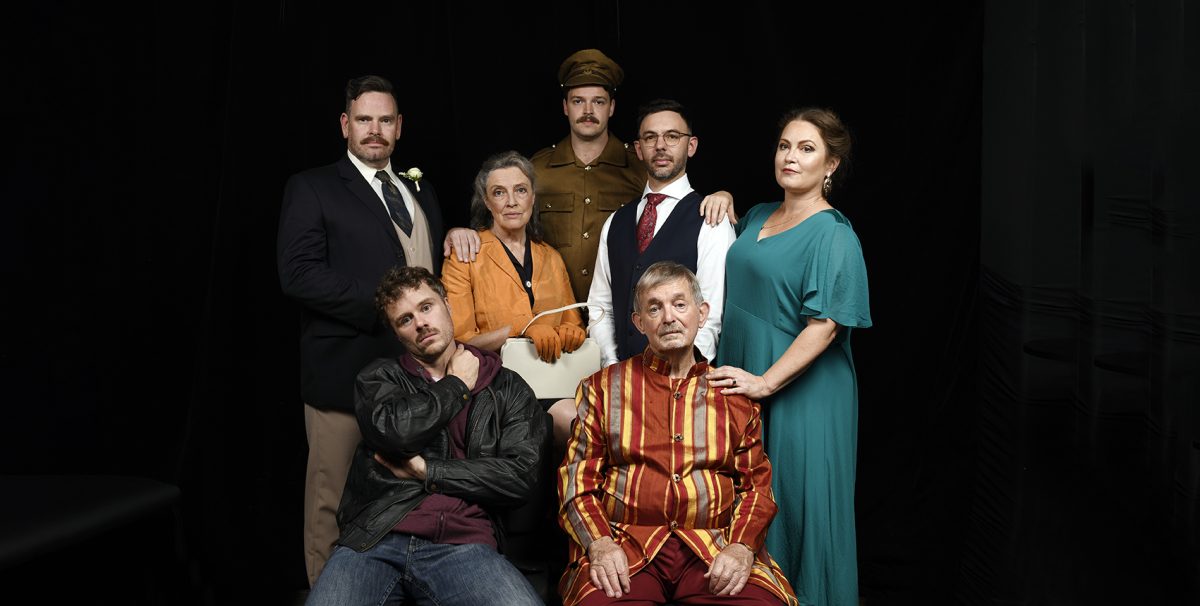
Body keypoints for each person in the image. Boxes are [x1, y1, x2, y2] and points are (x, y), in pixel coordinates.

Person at [277, 74, 445, 586]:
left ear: (399, 127)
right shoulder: (313, 186)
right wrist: (386, 308)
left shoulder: (418, 188)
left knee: (409, 495)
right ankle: (327, 594)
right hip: (342, 375)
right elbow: (298, 274)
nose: (376, 130)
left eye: (386, 120)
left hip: (414, 379)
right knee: (331, 498)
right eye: (365, 119)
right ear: (346, 124)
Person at [558, 261, 797, 606]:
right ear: (639, 323)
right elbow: (576, 482)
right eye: (655, 308)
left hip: (713, 548)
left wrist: (741, 547)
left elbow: (757, 488)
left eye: (679, 304)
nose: (669, 317)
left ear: (702, 314)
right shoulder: (602, 389)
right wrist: (600, 544)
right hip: (626, 548)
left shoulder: (733, 396)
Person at [707, 108, 872, 606]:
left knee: (800, 505)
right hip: (748, 372)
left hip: (804, 390)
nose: (790, 157)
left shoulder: (833, 234)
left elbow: (823, 327)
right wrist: (721, 196)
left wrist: (764, 382)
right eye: (784, 146)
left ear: (831, 165)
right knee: (748, 500)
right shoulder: (756, 214)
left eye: (806, 148)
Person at [306, 266, 544, 606]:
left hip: (463, 544)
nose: (420, 323)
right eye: (404, 319)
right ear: (396, 333)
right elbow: (395, 433)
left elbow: (519, 476)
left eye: (426, 307)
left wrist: (429, 472)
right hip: (376, 539)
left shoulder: (507, 387)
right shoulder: (379, 379)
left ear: (447, 303)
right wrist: (457, 386)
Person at [444, 49, 736, 304]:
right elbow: (502, 221)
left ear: (611, 107)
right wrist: (464, 232)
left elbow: (677, 204)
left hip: (625, 314)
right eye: (578, 101)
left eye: (598, 101)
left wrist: (723, 196)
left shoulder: (640, 165)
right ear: (564, 107)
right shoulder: (538, 169)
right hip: (549, 314)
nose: (588, 111)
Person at [441, 150, 587, 446]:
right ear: (486, 201)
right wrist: (520, 330)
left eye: (520, 190)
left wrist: (575, 334)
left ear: (533, 196)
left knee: (589, 426)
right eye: (499, 192)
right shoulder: (466, 255)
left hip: (554, 383)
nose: (511, 201)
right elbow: (456, 340)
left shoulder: (552, 257)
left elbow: (575, 325)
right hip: (493, 388)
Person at [588, 99, 736, 367]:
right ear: (639, 149)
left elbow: (712, 316)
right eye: (650, 137)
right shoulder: (615, 222)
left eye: (672, 136)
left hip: (682, 386)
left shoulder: (711, 219)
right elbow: (600, 308)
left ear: (691, 146)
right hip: (622, 380)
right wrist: (613, 366)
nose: (660, 146)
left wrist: (680, 375)